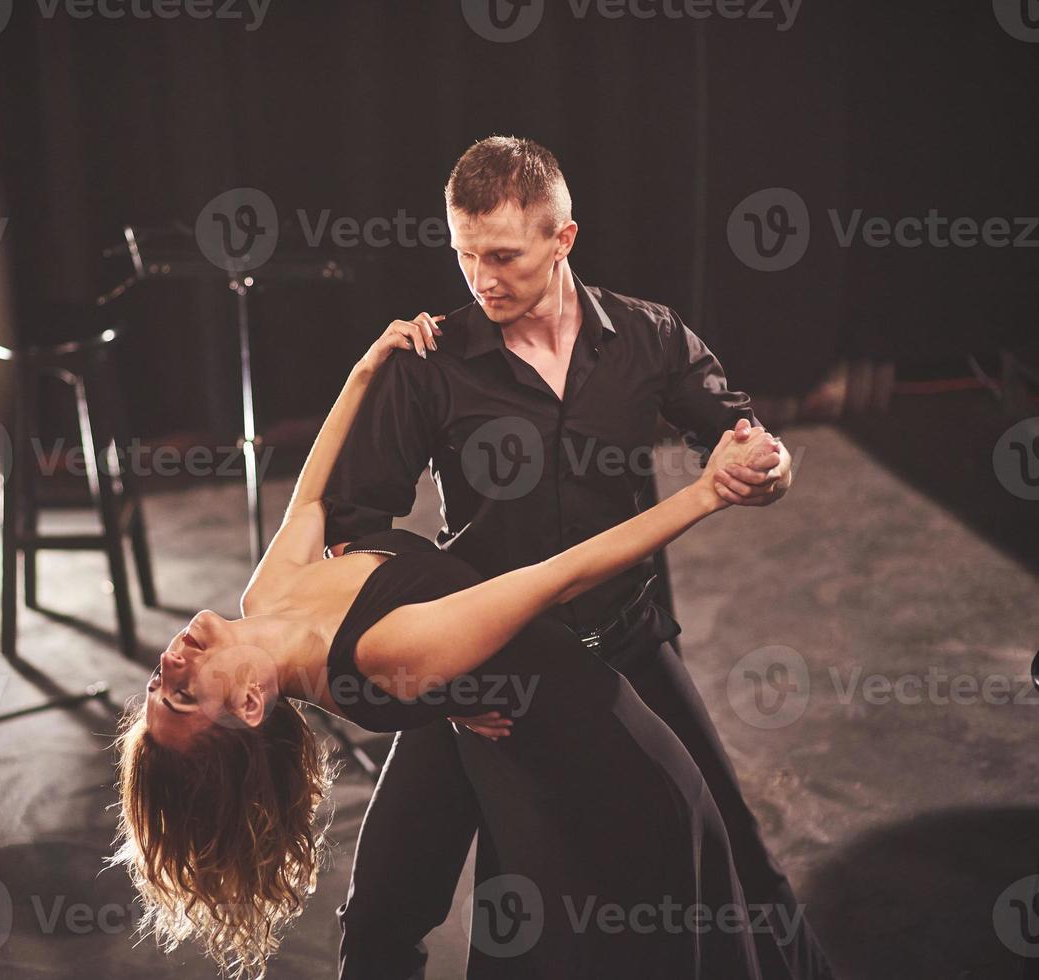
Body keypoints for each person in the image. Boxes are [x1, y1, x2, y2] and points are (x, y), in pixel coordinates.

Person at [112, 308, 782, 980]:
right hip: (598, 750)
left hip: (581, 728)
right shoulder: (387, 654)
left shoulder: (268, 599)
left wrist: (365, 369)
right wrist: (705, 494)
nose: (169, 661)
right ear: (252, 701)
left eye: (155, 687)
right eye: (184, 691)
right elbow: (554, 578)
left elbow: (311, 496)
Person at [323, 136, 834, 980]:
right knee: (397, 901)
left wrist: (768, 469)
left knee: (738, 855)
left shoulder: (646, 336)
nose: (481, 278)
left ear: (563, 240)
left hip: (626, 641)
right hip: (494, 664)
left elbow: (749, 443)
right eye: (462, 255)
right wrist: (439, 673)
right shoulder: (431, 365)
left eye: (502, 256)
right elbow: (353, 529)